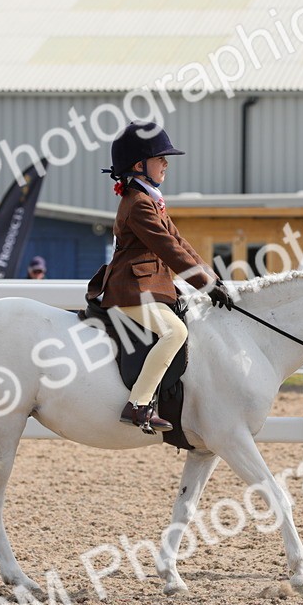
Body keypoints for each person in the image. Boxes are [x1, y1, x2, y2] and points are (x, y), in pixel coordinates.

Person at [86, 120, 235, 433]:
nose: (166, 163)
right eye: (160, 159)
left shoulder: (150, 199)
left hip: (149, 287)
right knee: (174, 333)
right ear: (140, 165)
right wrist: (204, 284)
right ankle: (138, 404)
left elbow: (181, 244)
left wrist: (212, 279)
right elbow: (169, 250)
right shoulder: (138, 204)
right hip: (131, 290)